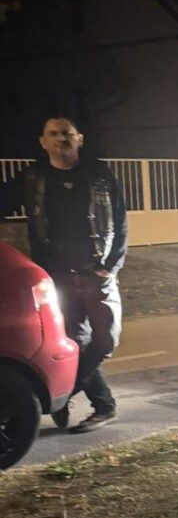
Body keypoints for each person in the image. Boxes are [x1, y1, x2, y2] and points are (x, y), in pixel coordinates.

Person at [1, 117, 127, 431]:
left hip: (97, 272)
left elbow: (121, 222)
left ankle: (64, 392)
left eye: (67, 133)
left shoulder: (99, 175)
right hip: (57, 275)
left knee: (106, 340)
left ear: (79, 138)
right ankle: (104, 405)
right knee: (75, 340)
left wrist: (110, 266)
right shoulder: (33, 177)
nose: (61, 138)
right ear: (43, 141)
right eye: (54, 134)